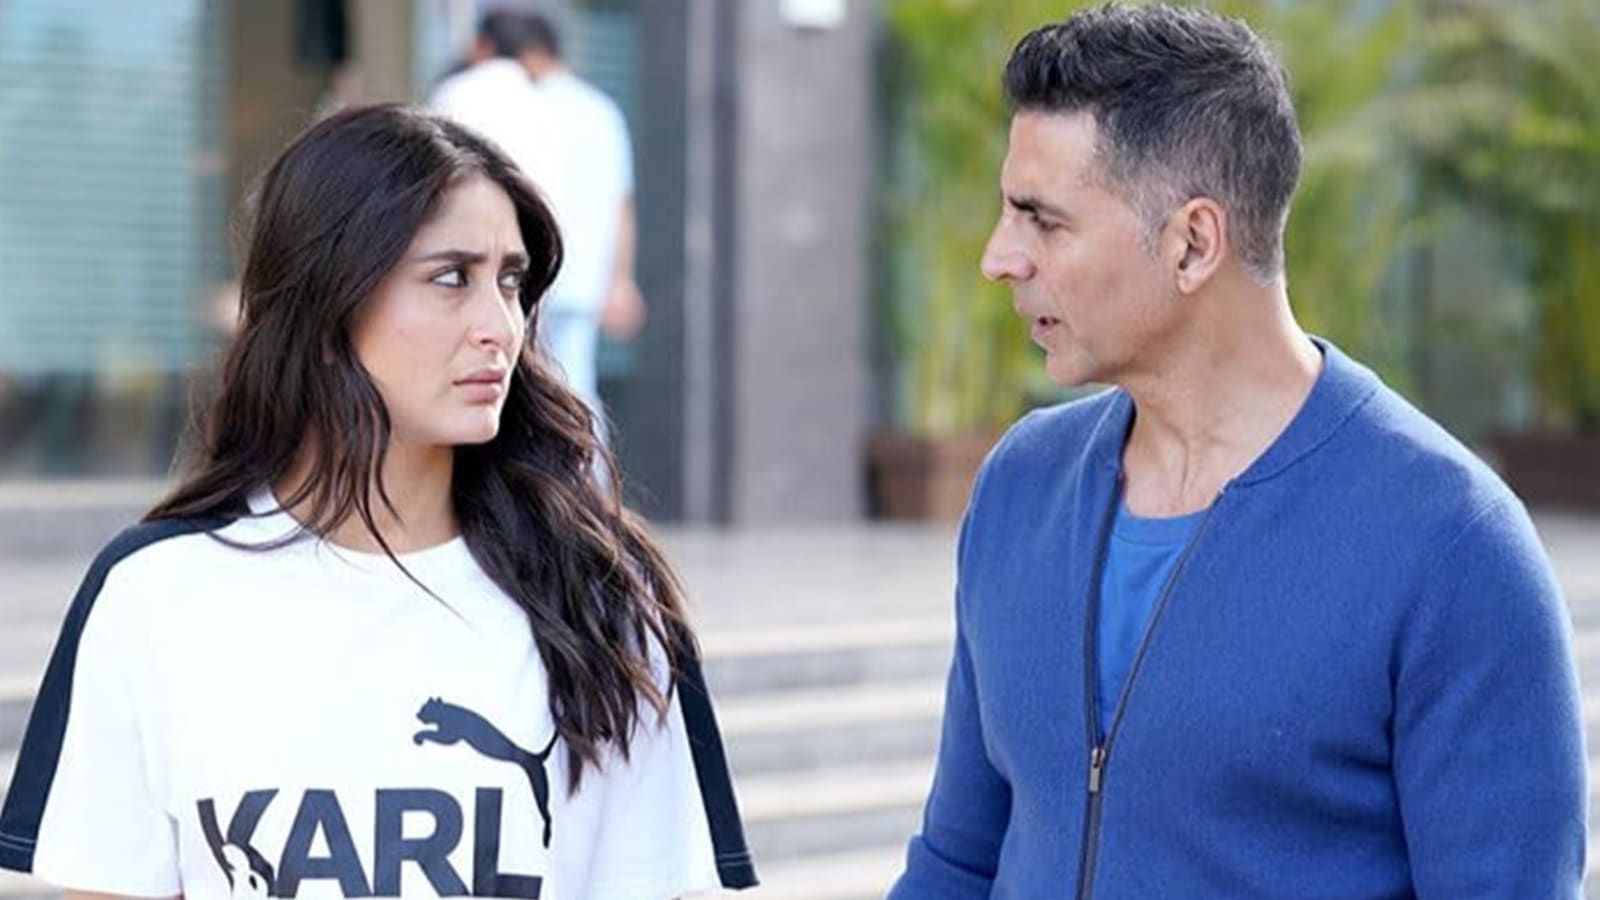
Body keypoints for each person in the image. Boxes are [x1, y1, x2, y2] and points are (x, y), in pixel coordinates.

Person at [888, 5, 1585, 899]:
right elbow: (957, 863)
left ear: (1193, 243)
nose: (999, 259)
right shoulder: (1021, 487)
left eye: (1043, 221)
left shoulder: (1454, 546)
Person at [0, 104, 755, 900]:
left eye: (510, 281)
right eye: (451, 278)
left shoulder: (600, 598)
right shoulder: (153, 596)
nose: (500, 326)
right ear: (328, 302)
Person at [431, 10, 642, 443]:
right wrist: (619, 280)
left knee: (521, 386)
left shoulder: (487, 96)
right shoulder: (598, 110)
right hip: (577, 273)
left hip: (523, 268)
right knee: (573, 384)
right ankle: (585, 478)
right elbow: (622, 203)